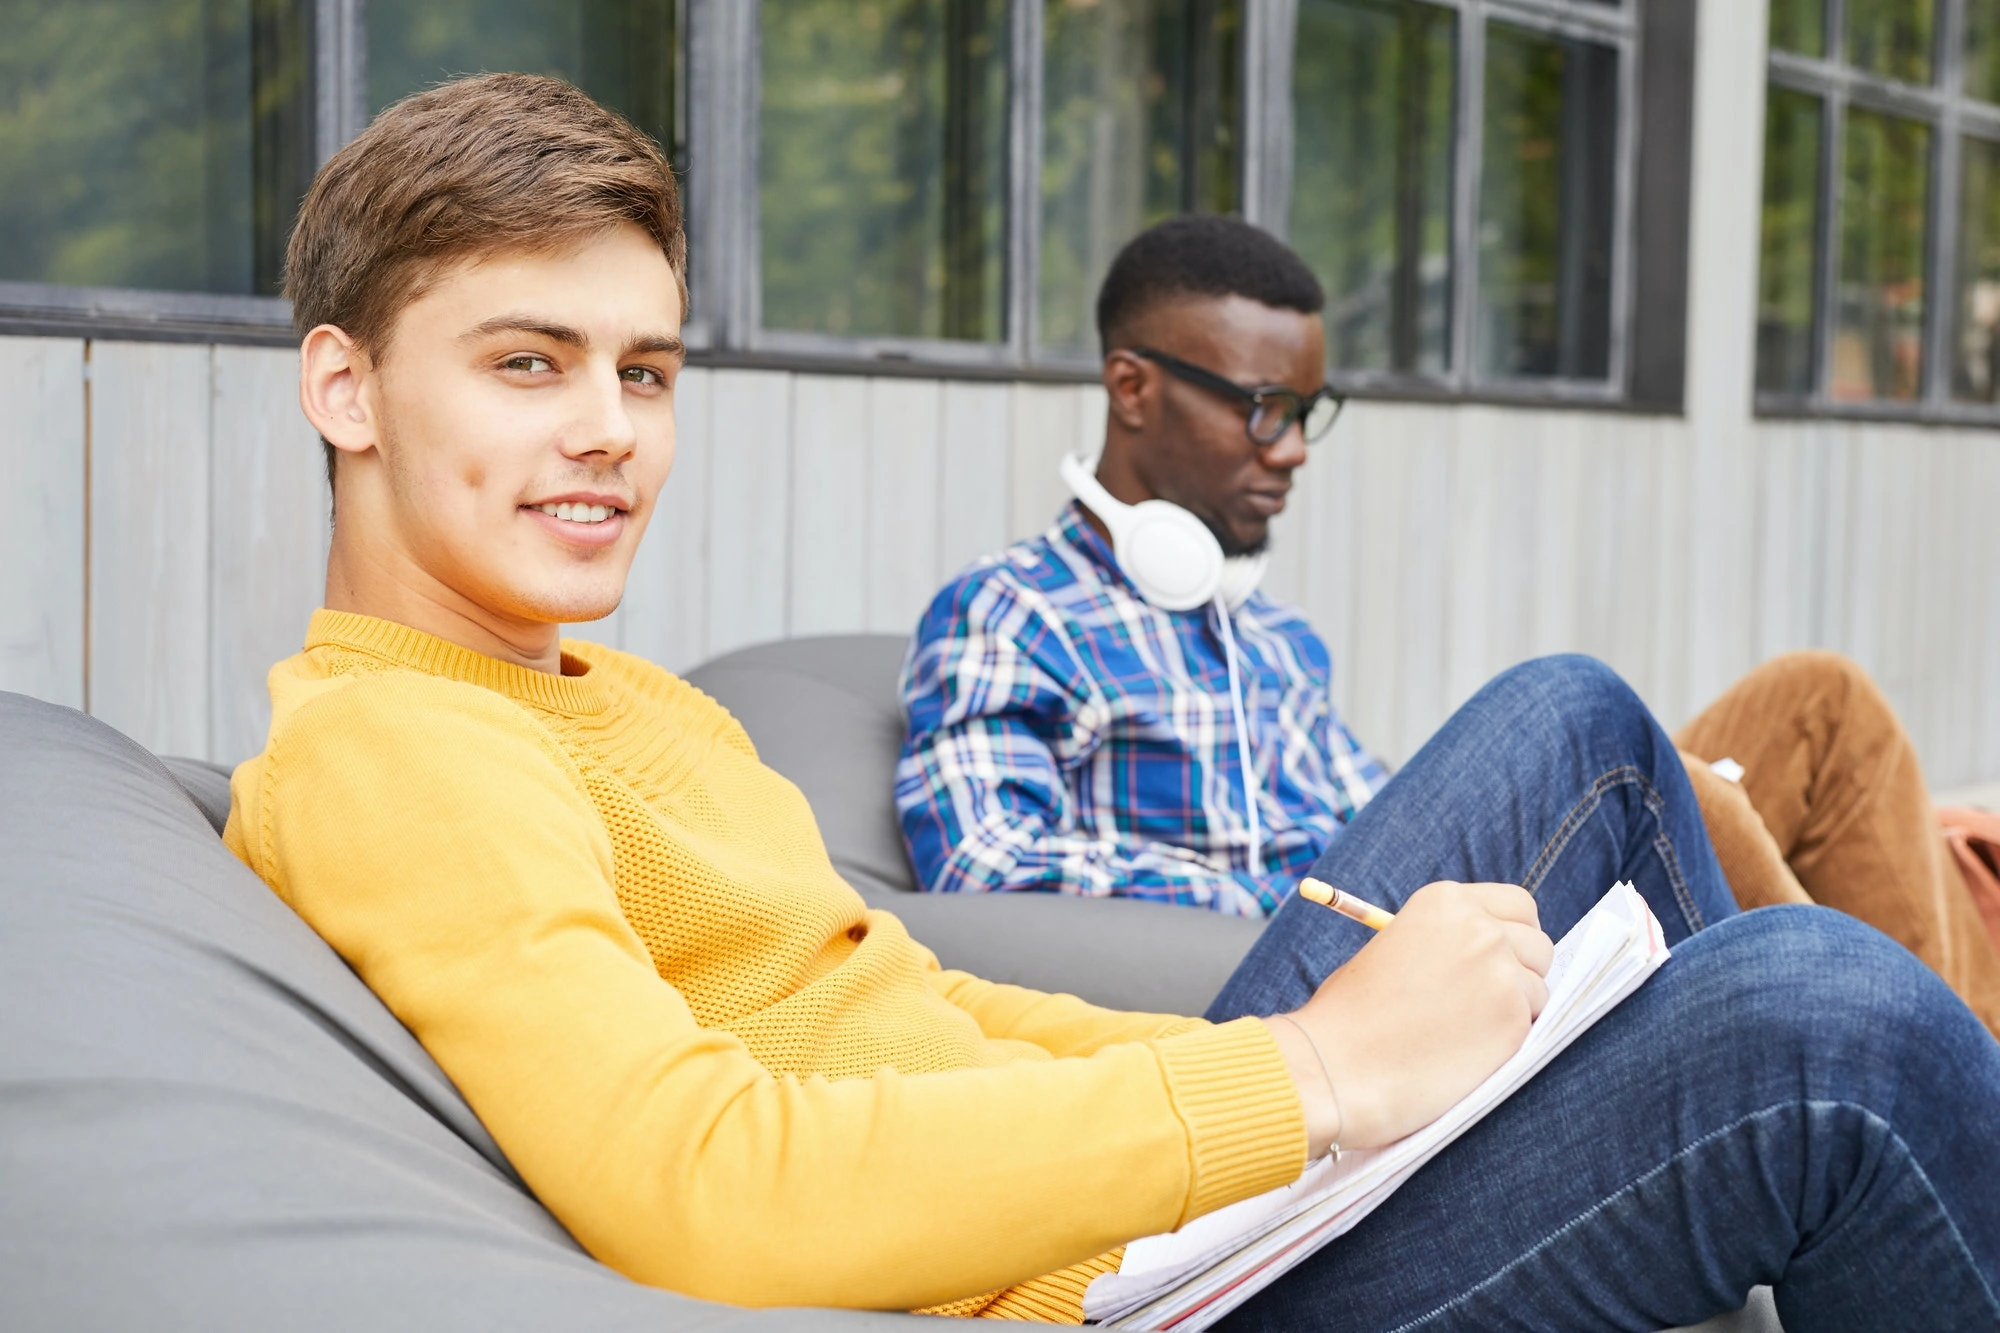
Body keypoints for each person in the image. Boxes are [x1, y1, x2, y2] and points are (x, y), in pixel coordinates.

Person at [223, 74, 2000, 1327]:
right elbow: (713, 1179)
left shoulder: (619, 701)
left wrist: (1310, 1076)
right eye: (527, 364)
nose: (610, 427)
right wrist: (1314, 1068)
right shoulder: (397, 743)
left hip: (1170, 1193)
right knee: (1825, 1017)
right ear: (348, 388)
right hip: (1119, 1286)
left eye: (645, 369)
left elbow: (928, 999)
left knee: (1578, 724)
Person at [896, 215, 2000, 1035]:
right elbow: (983, 868)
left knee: (1820, 701)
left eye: (1307, 414)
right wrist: (1283, 888)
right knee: (1678, 786)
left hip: (1433, 917)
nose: (1291, 450)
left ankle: (1954, 1072)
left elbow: (1372, 805)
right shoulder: (1012, 610)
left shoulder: (1271, 637)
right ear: (1131, 389)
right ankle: (1948, 1082)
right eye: (1262, 410)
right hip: (1338, 974)